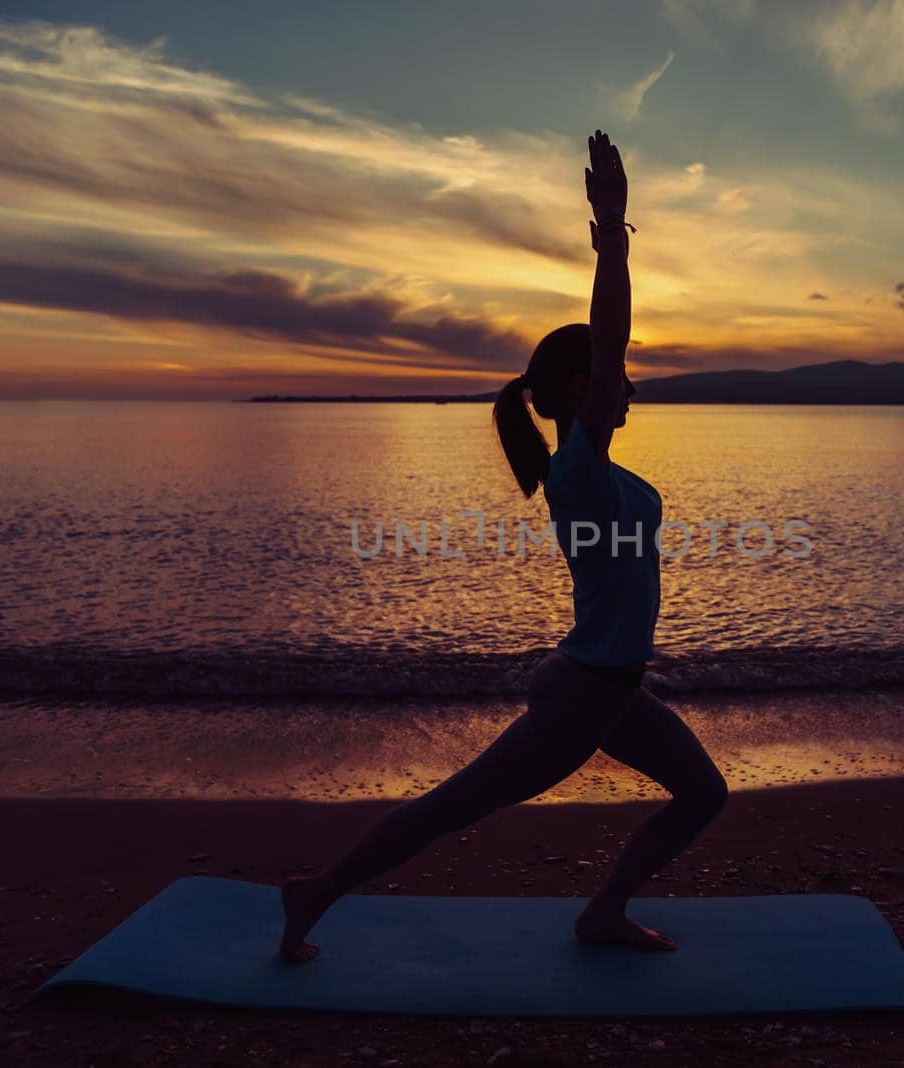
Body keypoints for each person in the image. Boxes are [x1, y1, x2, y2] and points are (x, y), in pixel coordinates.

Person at [280, 129, 728, 963]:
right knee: (451, 809)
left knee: (702, 793)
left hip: (611, 689)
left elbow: (611, 356)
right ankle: (314, 894)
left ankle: (604, 912)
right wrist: (612, 233)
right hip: (584, 695)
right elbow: (612, 334)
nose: (630, 386)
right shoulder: (580, 470)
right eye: (613, 377)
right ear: (579, 390)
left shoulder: (602, 474)